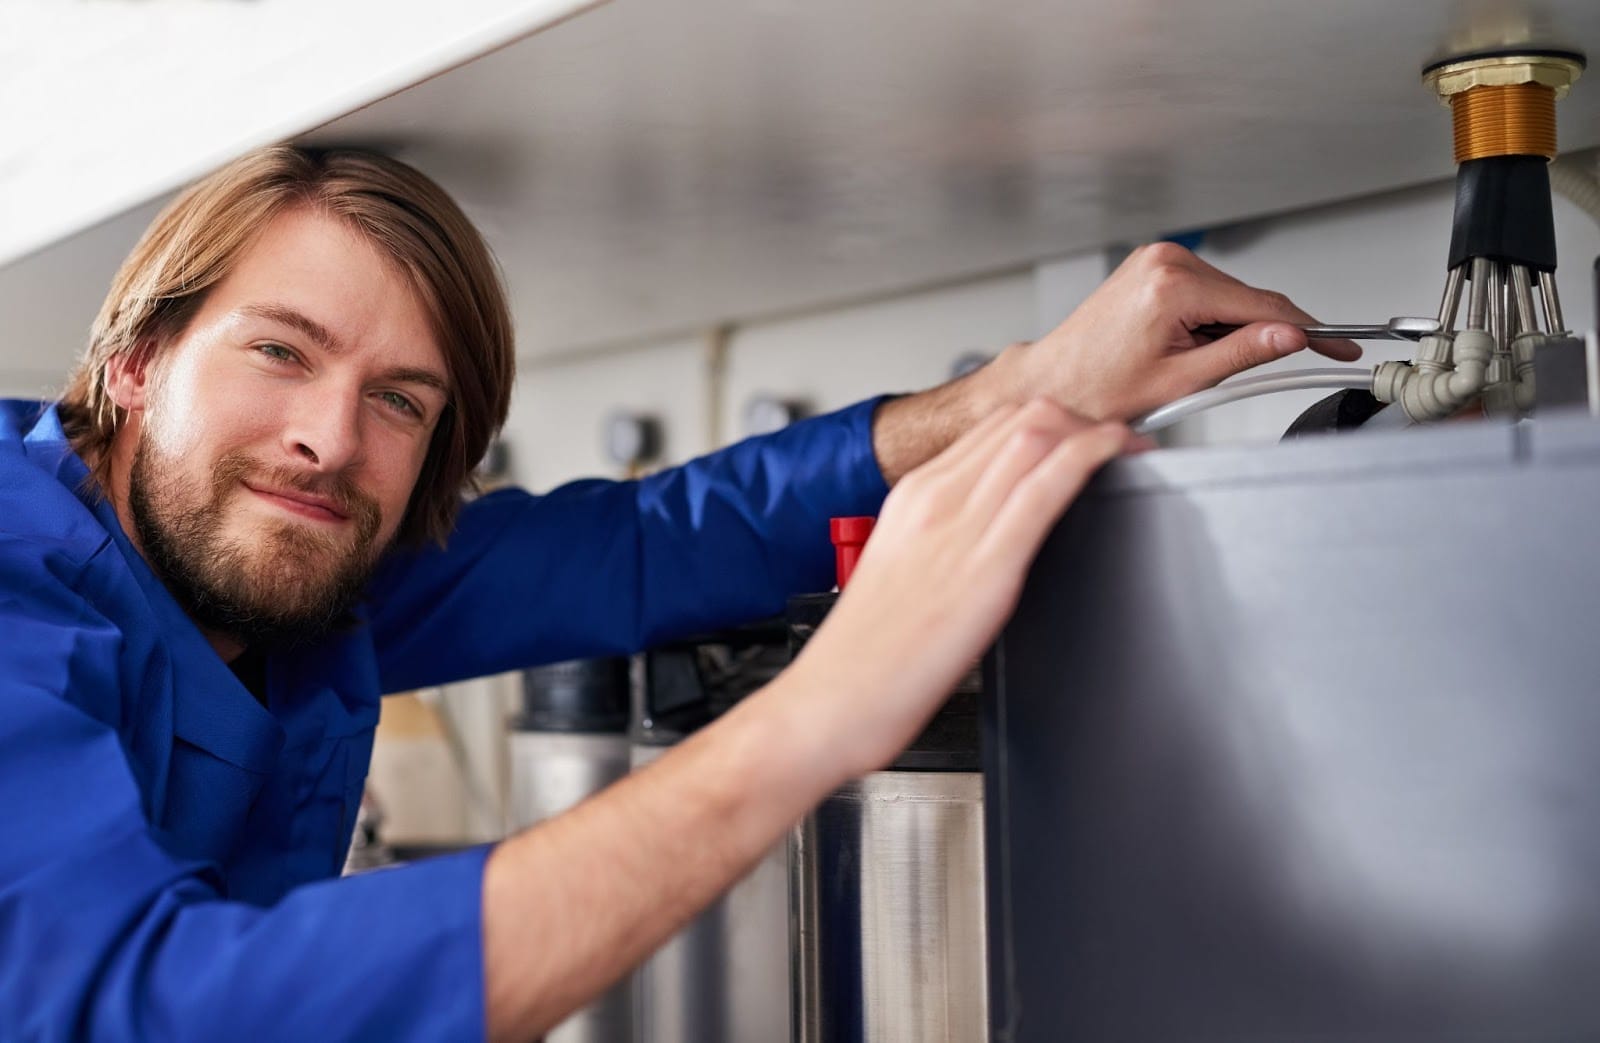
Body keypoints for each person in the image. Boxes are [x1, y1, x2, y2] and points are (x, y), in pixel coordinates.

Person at [0, 146, 1357, 1042]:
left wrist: (1027, 392)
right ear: (135, 359)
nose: (329, 438)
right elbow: (147, 1009)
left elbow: (655, 543)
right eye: (279, 352)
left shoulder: (292, 555)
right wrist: (821, 714)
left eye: (397, 400)